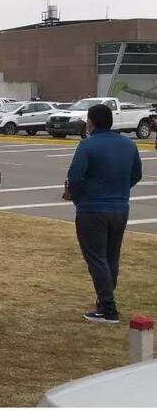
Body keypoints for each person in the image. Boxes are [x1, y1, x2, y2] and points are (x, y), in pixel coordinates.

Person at [66, 104, 142, 324]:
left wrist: (80, 200)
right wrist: (120, 190)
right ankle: (104, 301)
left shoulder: (87, 146)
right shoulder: (128, 145)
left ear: (91, 121)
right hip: (120, 208)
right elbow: (136, 174)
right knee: (111, 257)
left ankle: (107, 307)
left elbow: (75, 178)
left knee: (97, 259)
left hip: (93, 209)